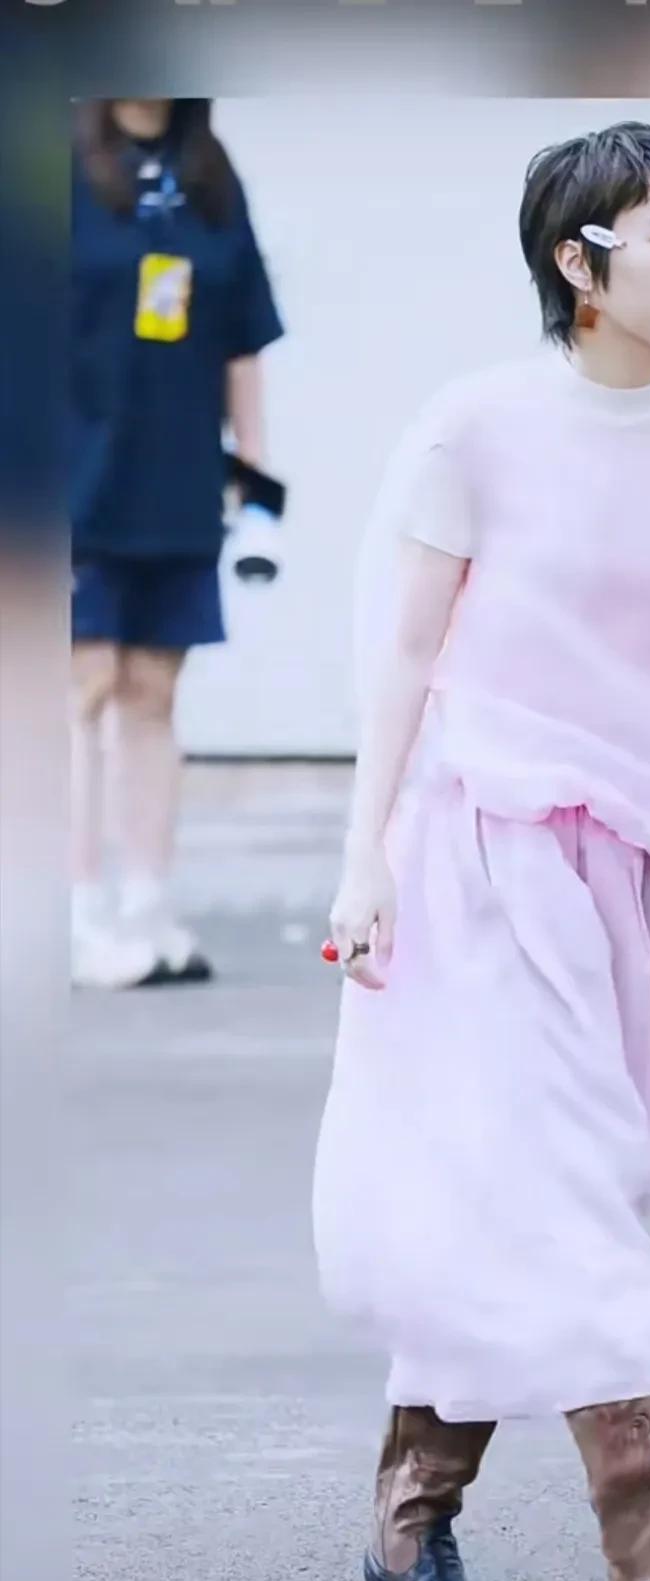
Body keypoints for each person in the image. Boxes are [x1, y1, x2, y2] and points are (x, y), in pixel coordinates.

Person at [312, 122, 650, 1581]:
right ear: (580, 262)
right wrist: (365, 860)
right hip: (495, 858)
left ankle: (408, 1522)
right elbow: (404, 657)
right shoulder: (477, 431)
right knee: (576, 1187)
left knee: (528, 1200)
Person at [70, 98, 284, 988]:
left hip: (178, 477)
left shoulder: (211, 177)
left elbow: (244, 341)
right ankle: (74, 915)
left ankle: (146, 904)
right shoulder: (59, 167)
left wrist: (257, 480)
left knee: (153, 692)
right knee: (79, 686)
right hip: (70, 472)